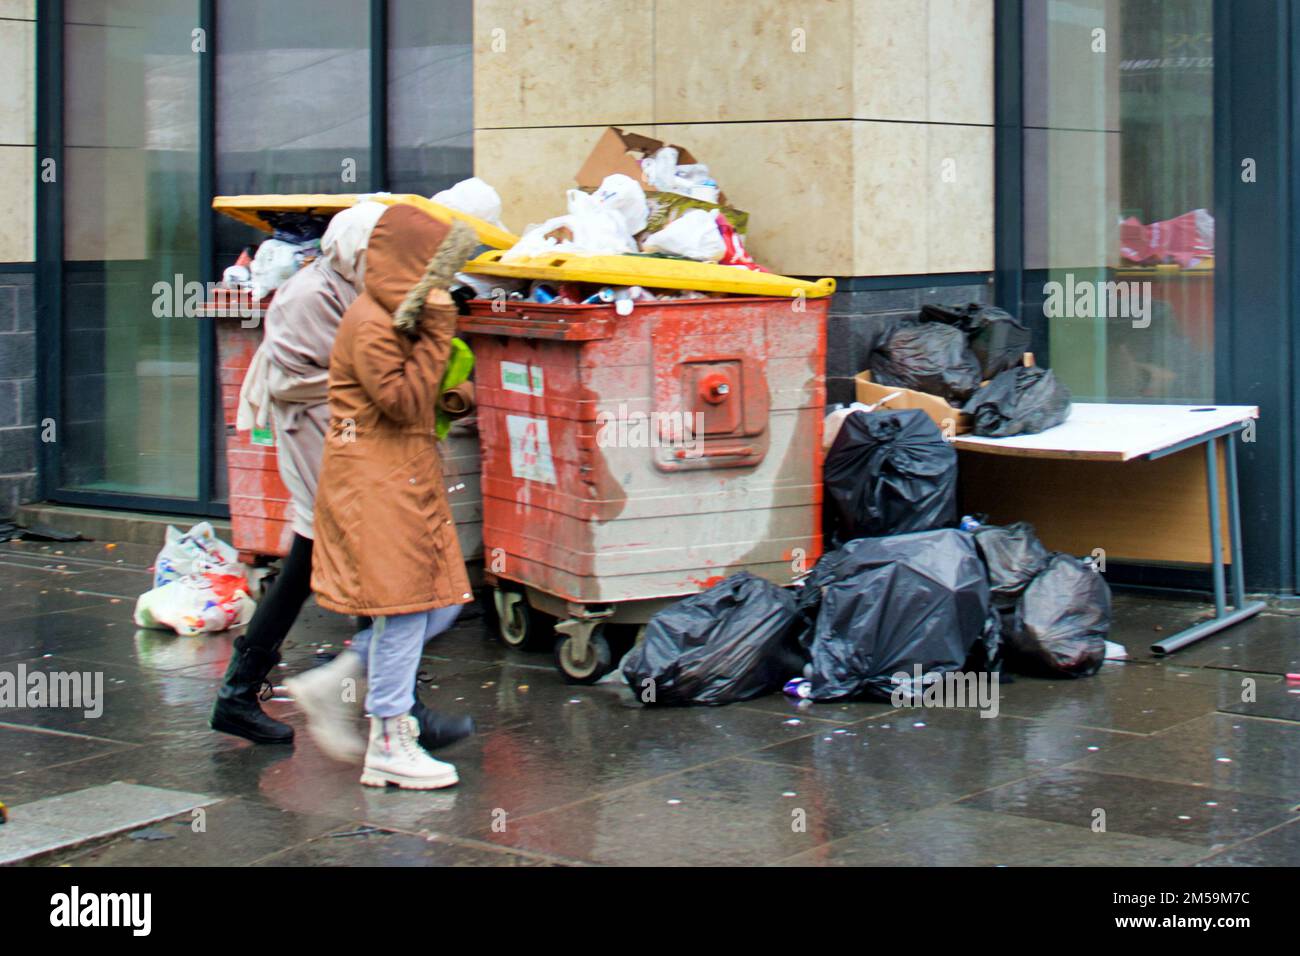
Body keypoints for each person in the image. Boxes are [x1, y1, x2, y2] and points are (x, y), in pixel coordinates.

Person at [286, 205, 480, 790]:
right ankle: (391, 740)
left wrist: (448, 388)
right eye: (437, 268)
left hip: (401, 475)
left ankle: (338, 678)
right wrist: (440, 332)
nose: (444, 283)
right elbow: (399, 402)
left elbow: (412, 398)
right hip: (376, 481)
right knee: (404, 608)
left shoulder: (395, 317)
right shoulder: (371, 321)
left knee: (440, 601)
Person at [210, 201, 385, 745]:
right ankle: (390, 699)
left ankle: (242, 693)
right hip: (310, 438)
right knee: (349, 560)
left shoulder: (346, 286)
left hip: (334, 435)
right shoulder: (306, 295)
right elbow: (293, 380)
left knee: (324, 563)